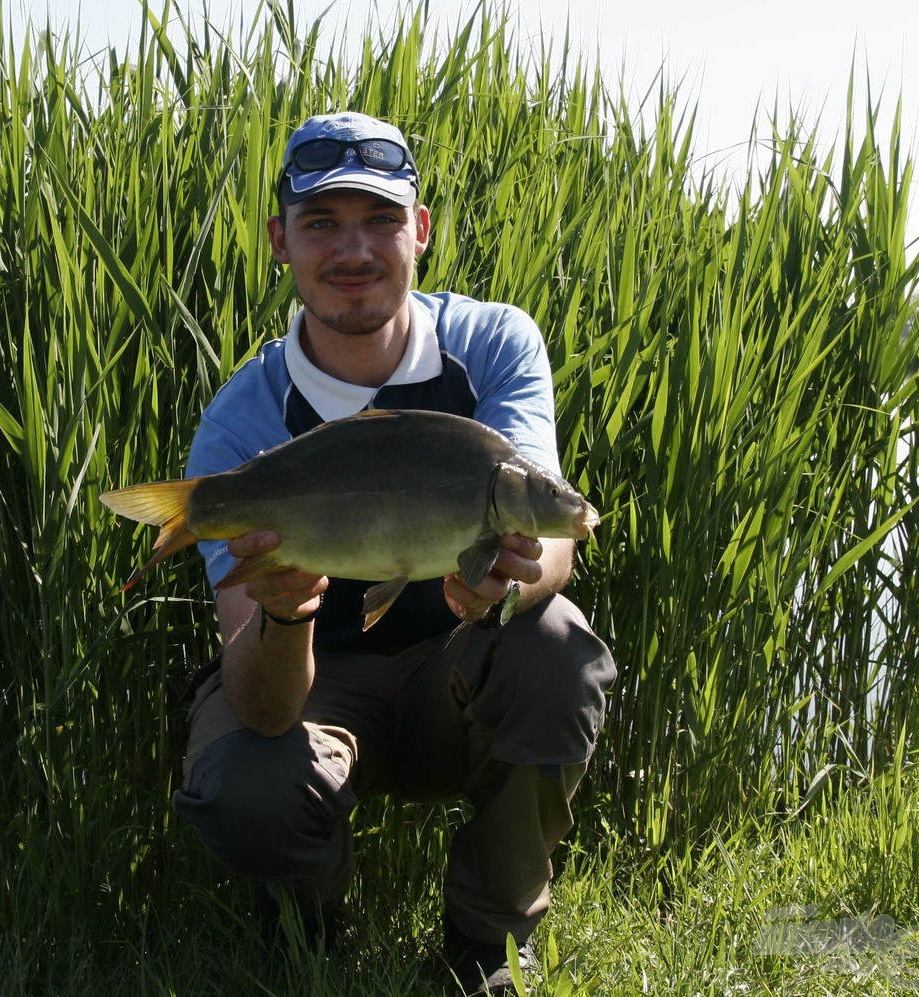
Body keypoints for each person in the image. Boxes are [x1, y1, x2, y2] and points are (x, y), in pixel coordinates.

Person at [172, 111, 617, 996]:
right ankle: (304, 933)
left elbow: (548, 529)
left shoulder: (492, 345)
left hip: (457, 670)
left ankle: (486, 944)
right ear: (281, 243)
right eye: (323, 223)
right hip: (320, 689)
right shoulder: (241, 424)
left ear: (419, 230)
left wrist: (511, 582)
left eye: (378, 219)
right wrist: (288, 608)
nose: (354, 250)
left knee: (561, 646)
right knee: (242, 769)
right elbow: (260, 700)